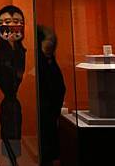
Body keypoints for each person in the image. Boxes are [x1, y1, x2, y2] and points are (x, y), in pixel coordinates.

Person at [0, 5, 26, 162]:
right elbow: (4, 76)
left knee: (15, 131)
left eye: (16, 22)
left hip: (13, 102)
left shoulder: (20, 51)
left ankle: (13, 158)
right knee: (8, 130)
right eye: (6, 22)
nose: (11, 26)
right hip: (9, 101)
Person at [37, 25, 66, 166]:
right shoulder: (45, 63)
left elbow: (59, 89)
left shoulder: (47, 63)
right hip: (46, 110)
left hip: (47, 111)